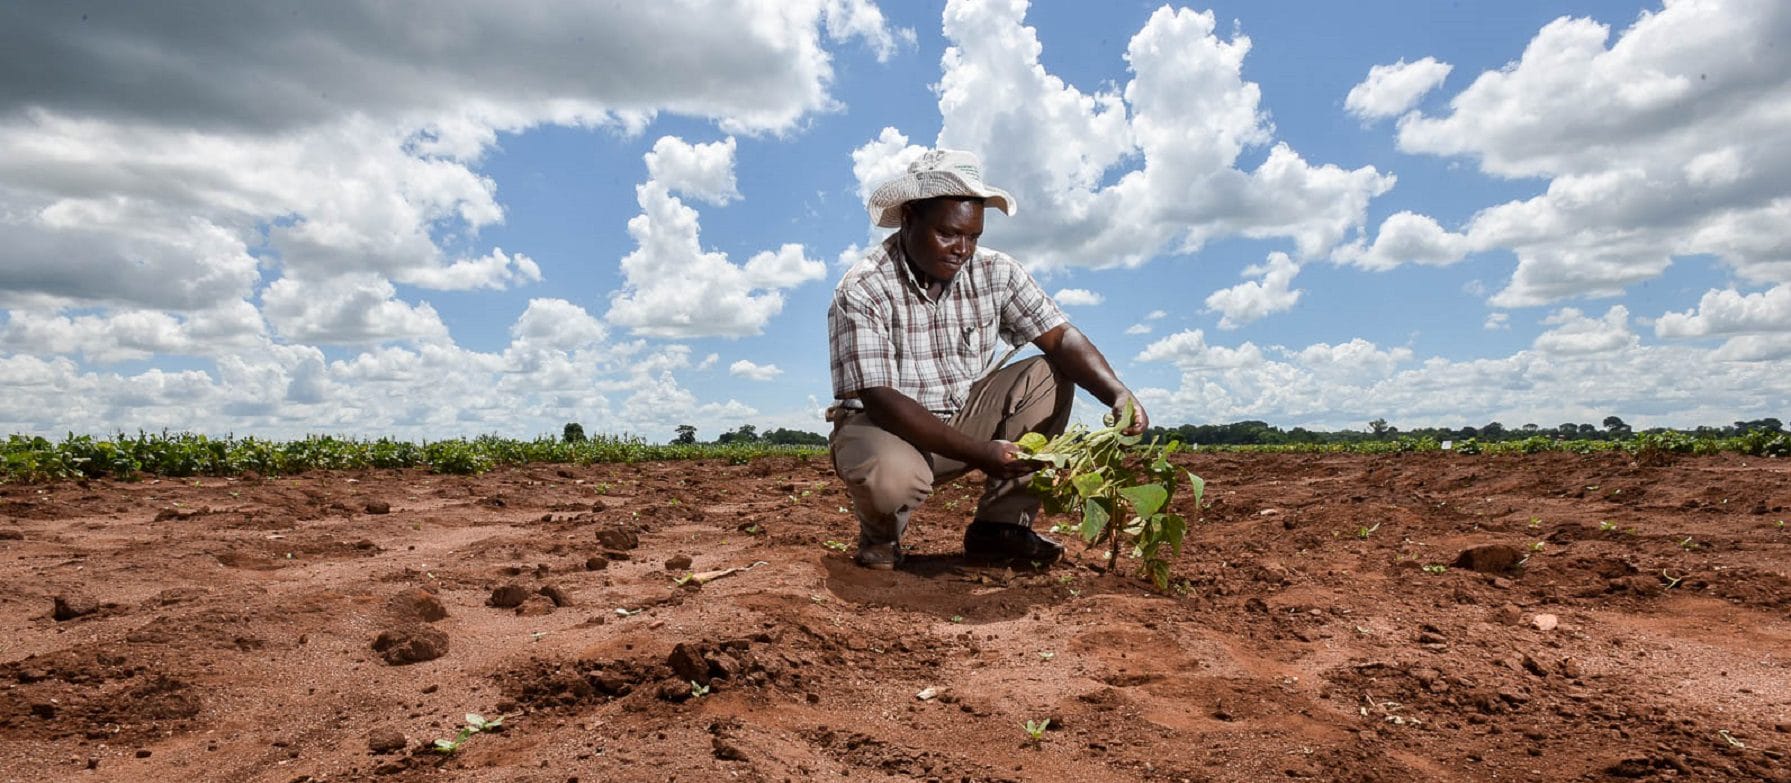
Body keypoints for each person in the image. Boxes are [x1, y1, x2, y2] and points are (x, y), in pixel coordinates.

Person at [826, 148, 1148, 570]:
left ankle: (1002, 529)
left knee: (1050, 372)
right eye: (947, 233)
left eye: (972, 237)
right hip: (885, 427)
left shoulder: (996, 271)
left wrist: (1118, 394)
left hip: (962, 418)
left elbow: (1060, 336)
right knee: (893, 480)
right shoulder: (864, 288)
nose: (962, 249)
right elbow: (881, 398)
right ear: (909, 219)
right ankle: (880, 539)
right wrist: (981, 453)